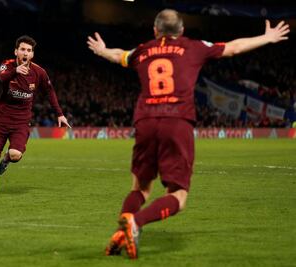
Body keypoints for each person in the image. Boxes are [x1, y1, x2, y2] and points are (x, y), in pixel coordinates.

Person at [87, 9, 289, 259]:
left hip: (146, 120)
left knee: (140, 187)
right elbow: (233, 48)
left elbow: (119, 55)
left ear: (155, 31)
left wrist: (102, 50)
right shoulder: (193, 46)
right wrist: (266, 38)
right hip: (177, 121)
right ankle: (135, 223)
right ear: (181, 30)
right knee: (178, 196)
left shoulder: (143, 49)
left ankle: (123, 230)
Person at [0, 35, 71, 198]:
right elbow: (1, 78)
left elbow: (49, 91)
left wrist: (60, 114)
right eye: (22, 49)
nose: (25, 53)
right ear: (16, 51)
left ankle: (7, 161)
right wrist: (15, 71)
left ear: (32, 55)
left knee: (16, 155)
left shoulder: (39, 72)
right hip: (0, 119)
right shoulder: (7, 66)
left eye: (29, 50)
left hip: (21, 121)